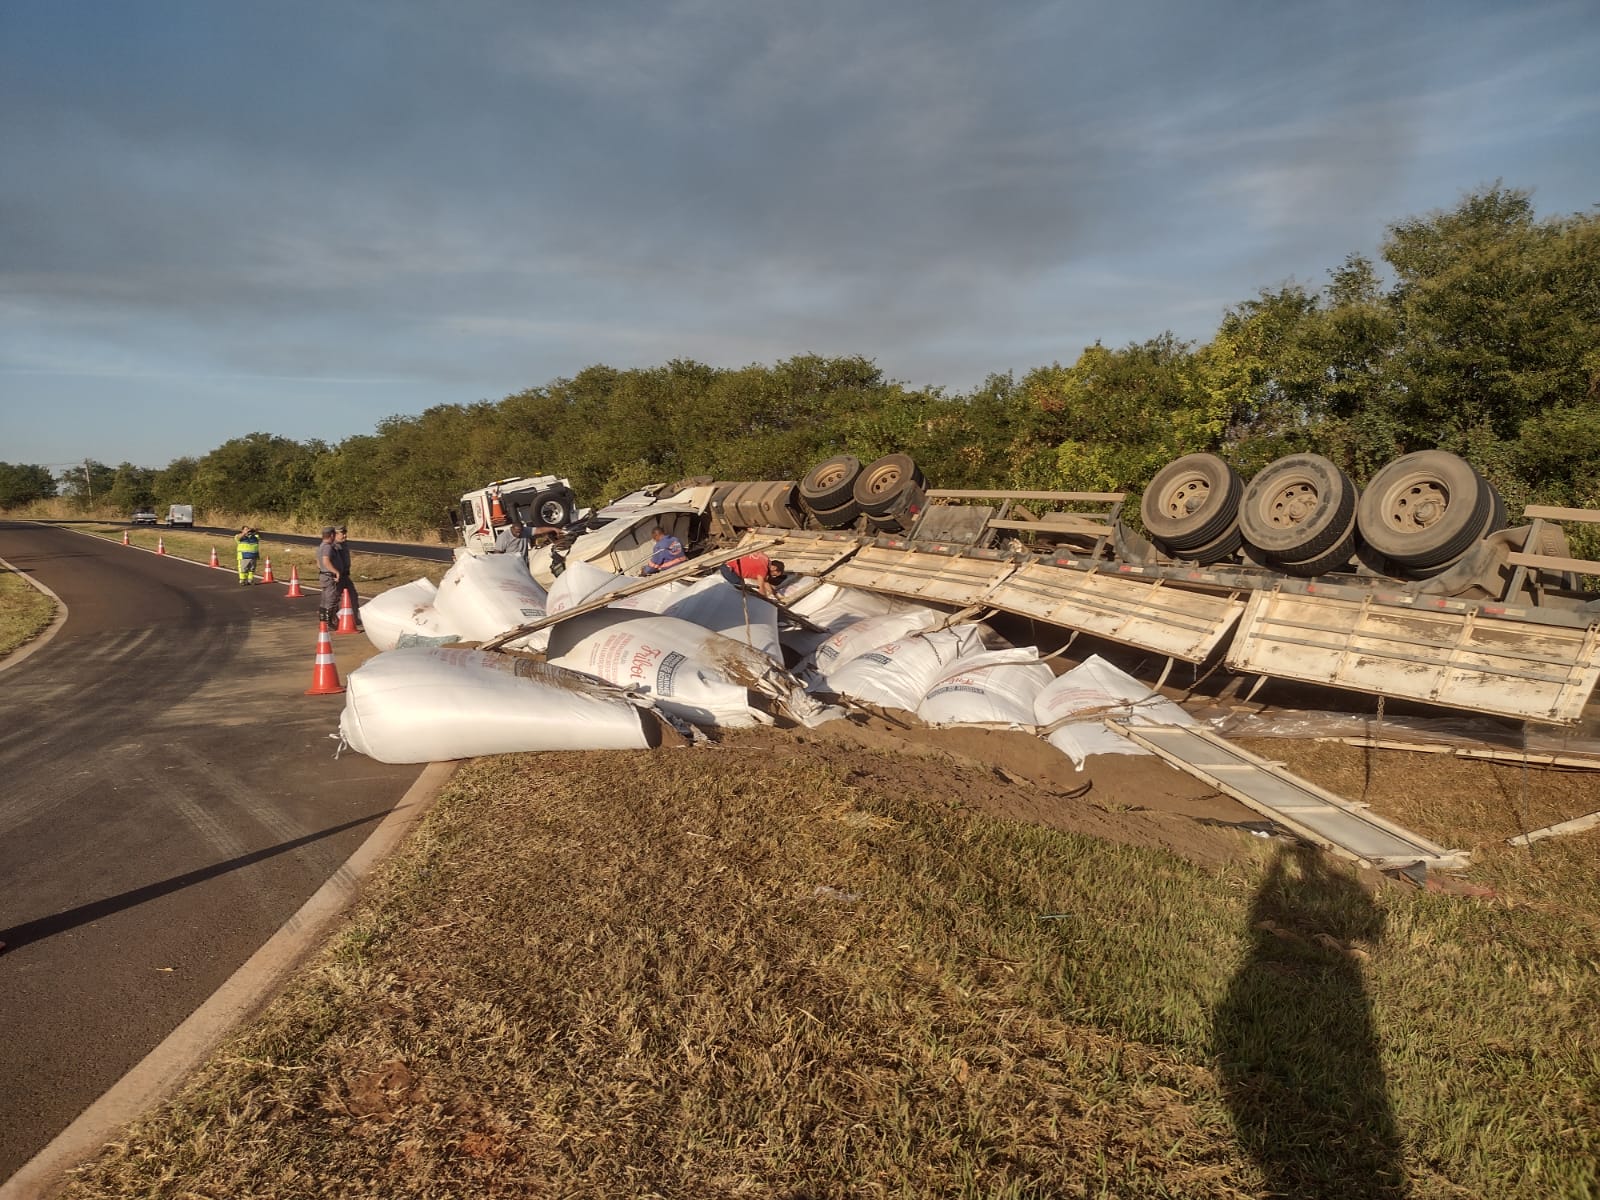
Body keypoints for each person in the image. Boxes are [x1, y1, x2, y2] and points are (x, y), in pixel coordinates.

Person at [331, 525, 363, 631]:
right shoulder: (332, 546)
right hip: (336, 576)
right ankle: (331, 619)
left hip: (345, 575)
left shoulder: (344, 544)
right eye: (342, 533)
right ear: (335, 534)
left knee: (353, 595)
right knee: (334, 598)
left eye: (345, 533)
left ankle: (354, 617)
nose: (344, 535)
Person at [719, 551, 785, 600]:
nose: (772, 576)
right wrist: (765, 601)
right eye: (774, 574)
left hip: (727, 562)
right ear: (774, 568)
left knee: (744, 587)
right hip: (729, 570)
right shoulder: (763, 569)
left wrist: (775, 594)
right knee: (741, 590)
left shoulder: (765, 558)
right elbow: (761, 587)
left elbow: (765, 582)